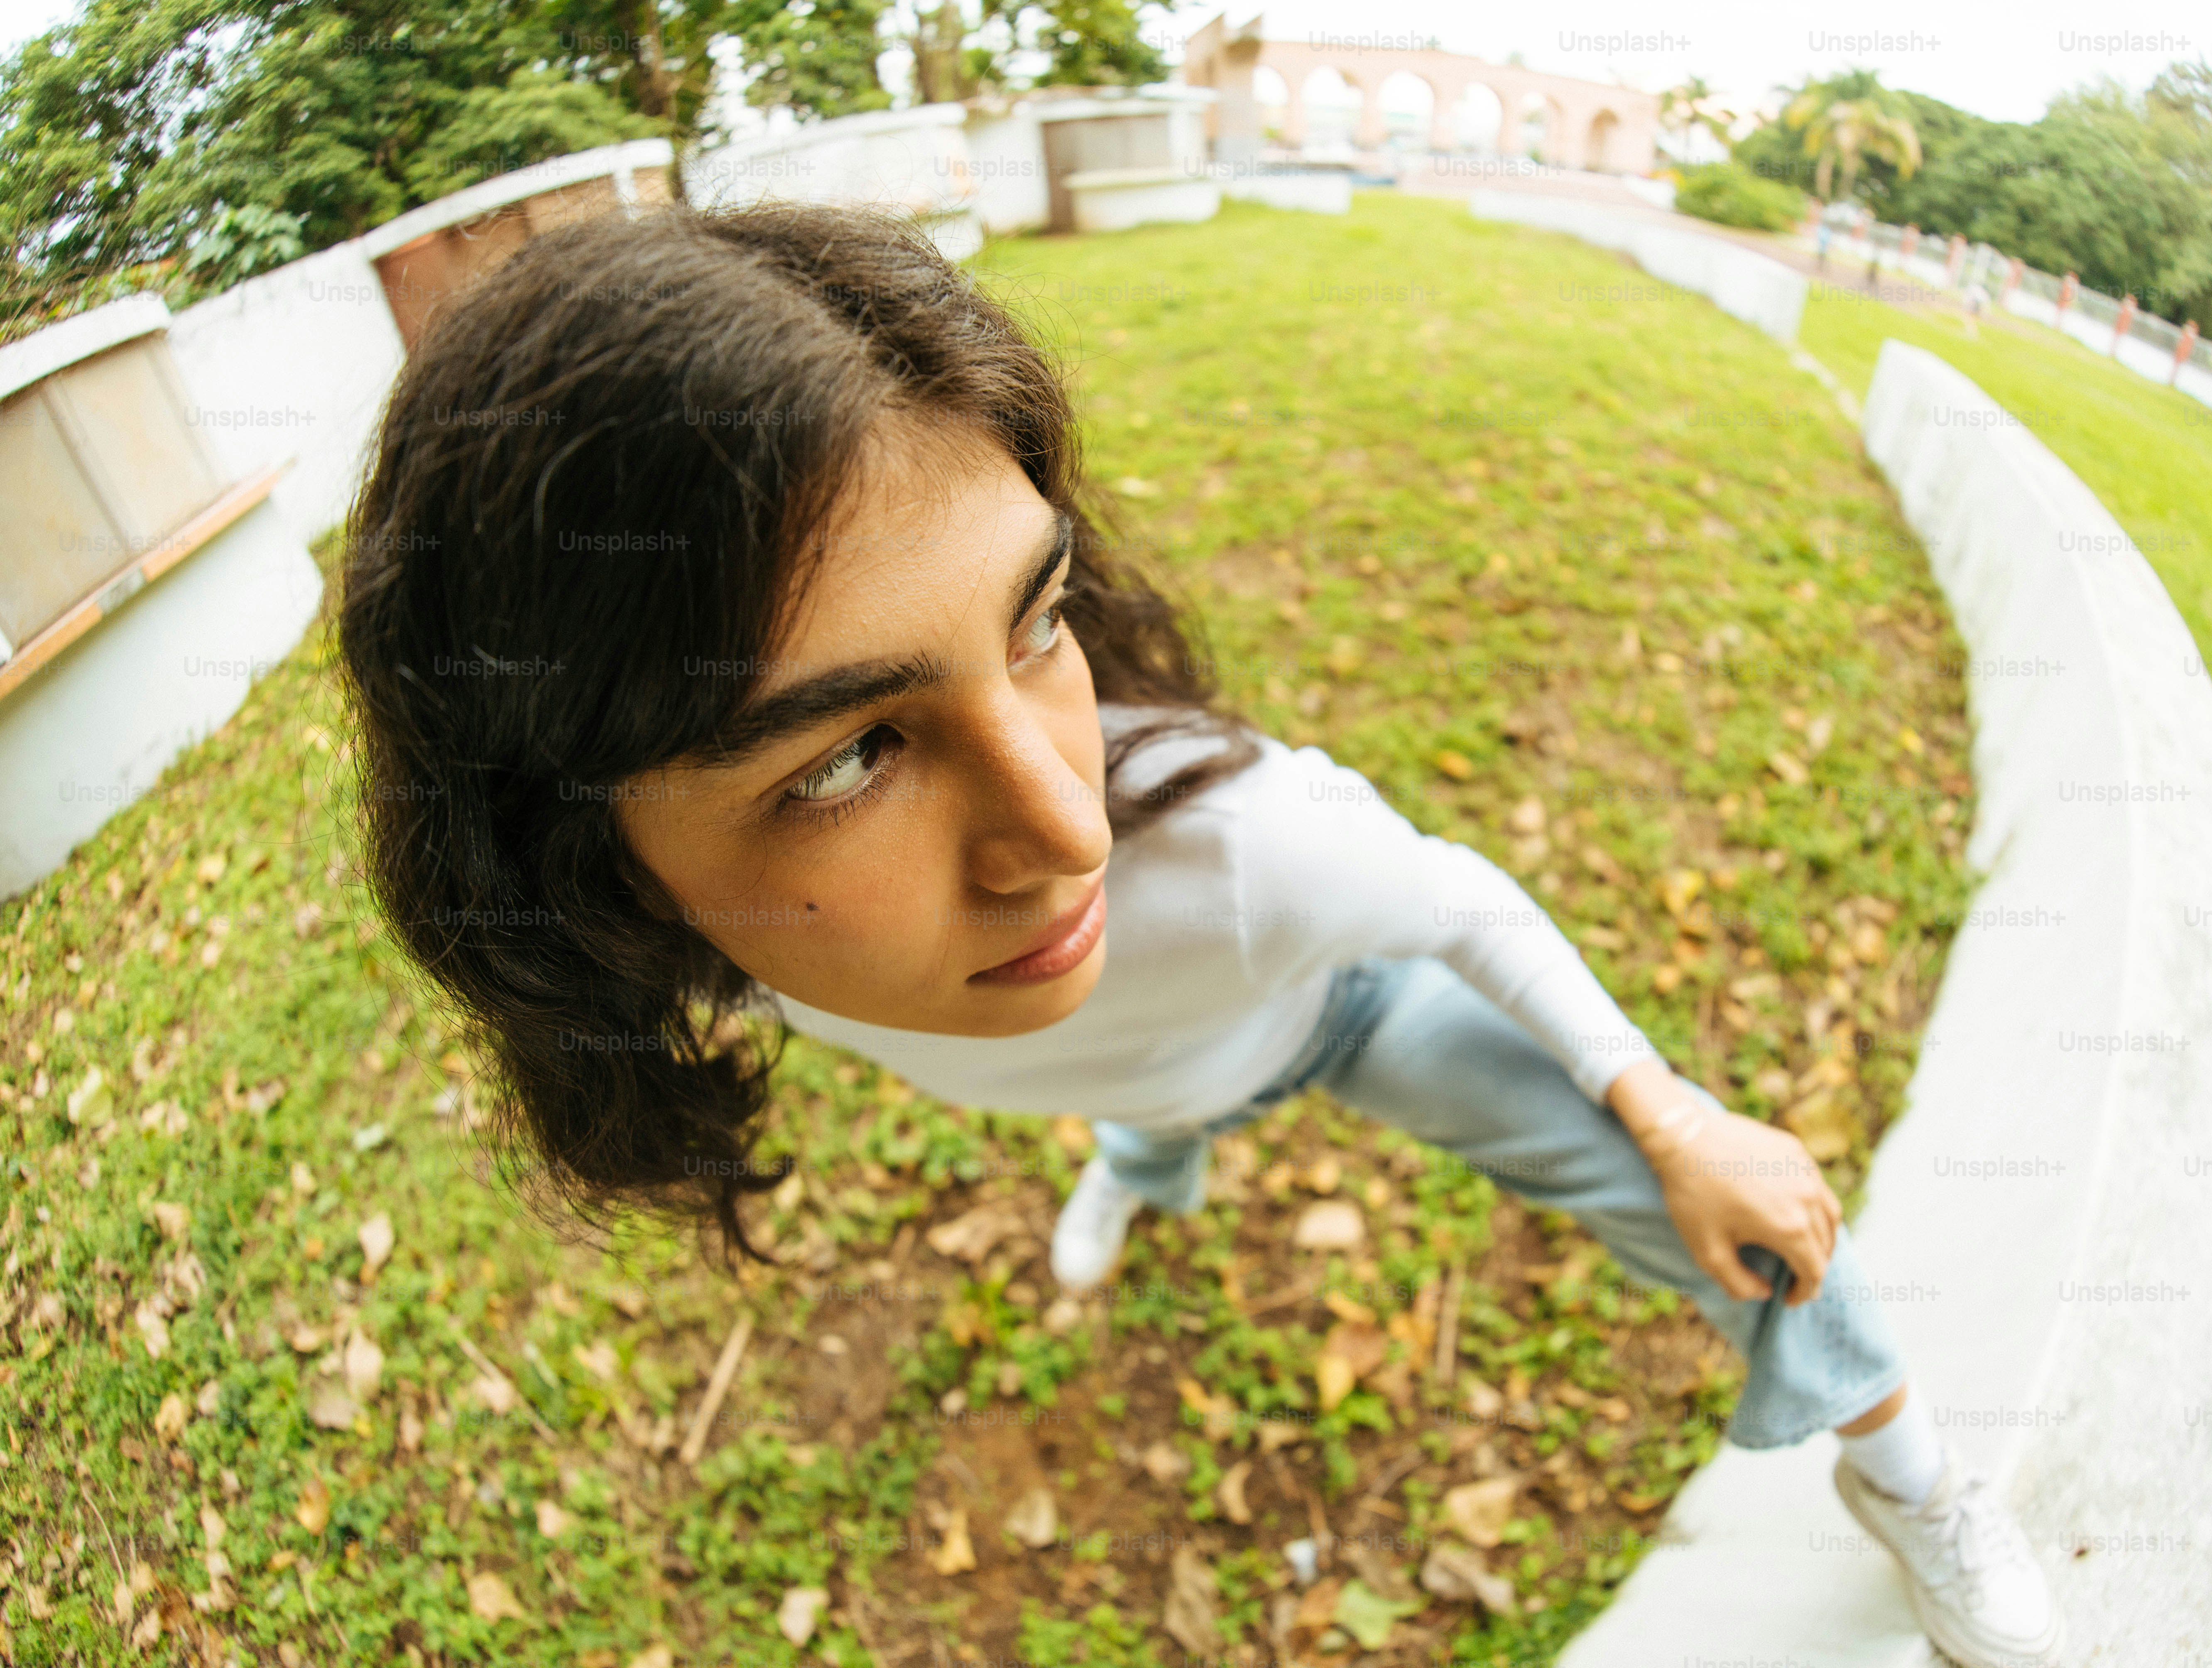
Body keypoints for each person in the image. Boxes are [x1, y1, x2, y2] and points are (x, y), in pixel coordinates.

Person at [337, 204, 2064, 1668]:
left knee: (1733, 1227)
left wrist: (1675, 1113)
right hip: (1137, 1048)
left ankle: (1911, 1479)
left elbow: (1457, 899)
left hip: (1330, 1008)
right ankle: (1150, 1161)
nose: (1067, 830)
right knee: (1136, 1078)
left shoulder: (1240, 865)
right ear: (585, 865)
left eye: (1039, 616)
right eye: (851, 754)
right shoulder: (695, 951)